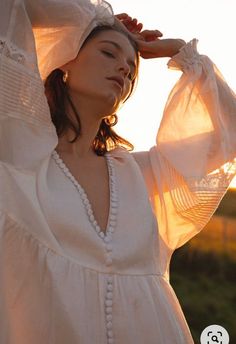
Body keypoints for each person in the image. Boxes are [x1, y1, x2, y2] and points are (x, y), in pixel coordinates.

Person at [0, 0, 235, 343]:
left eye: (130, 67)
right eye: (109, 53)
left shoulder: (140, 173)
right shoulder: (20, 155)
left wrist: (182, 52)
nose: (124, 69)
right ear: (66, 61)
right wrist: (95, 18)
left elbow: (229, 136)